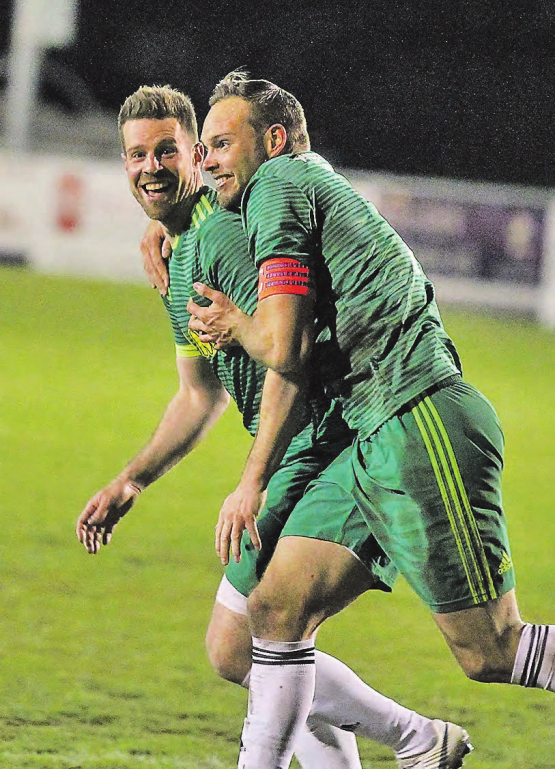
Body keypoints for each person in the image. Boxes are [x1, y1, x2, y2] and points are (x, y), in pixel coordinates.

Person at [143, 70, 555, 769]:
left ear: (271, 141)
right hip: (370, 437)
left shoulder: (277, 185)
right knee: (271, 613)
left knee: (490, 649)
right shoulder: (304, 179)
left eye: (219, 143)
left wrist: (237, 325)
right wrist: (163, 228)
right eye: (201, 146)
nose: (205, 158)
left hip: (416, 416)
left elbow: (284, 345)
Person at [75, 84, 471, 769]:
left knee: (251, 641)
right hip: (301, 445)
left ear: (195, 154)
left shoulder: (225, 233)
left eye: (167, 149)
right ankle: (417, 738)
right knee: (256, 644)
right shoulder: (179, 261)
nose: (151, 166)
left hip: (320, 440)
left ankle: (415, 736)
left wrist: (252, 479)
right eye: (136, 154)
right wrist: (132, 479)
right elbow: (198, 395)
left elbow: (290, 353)